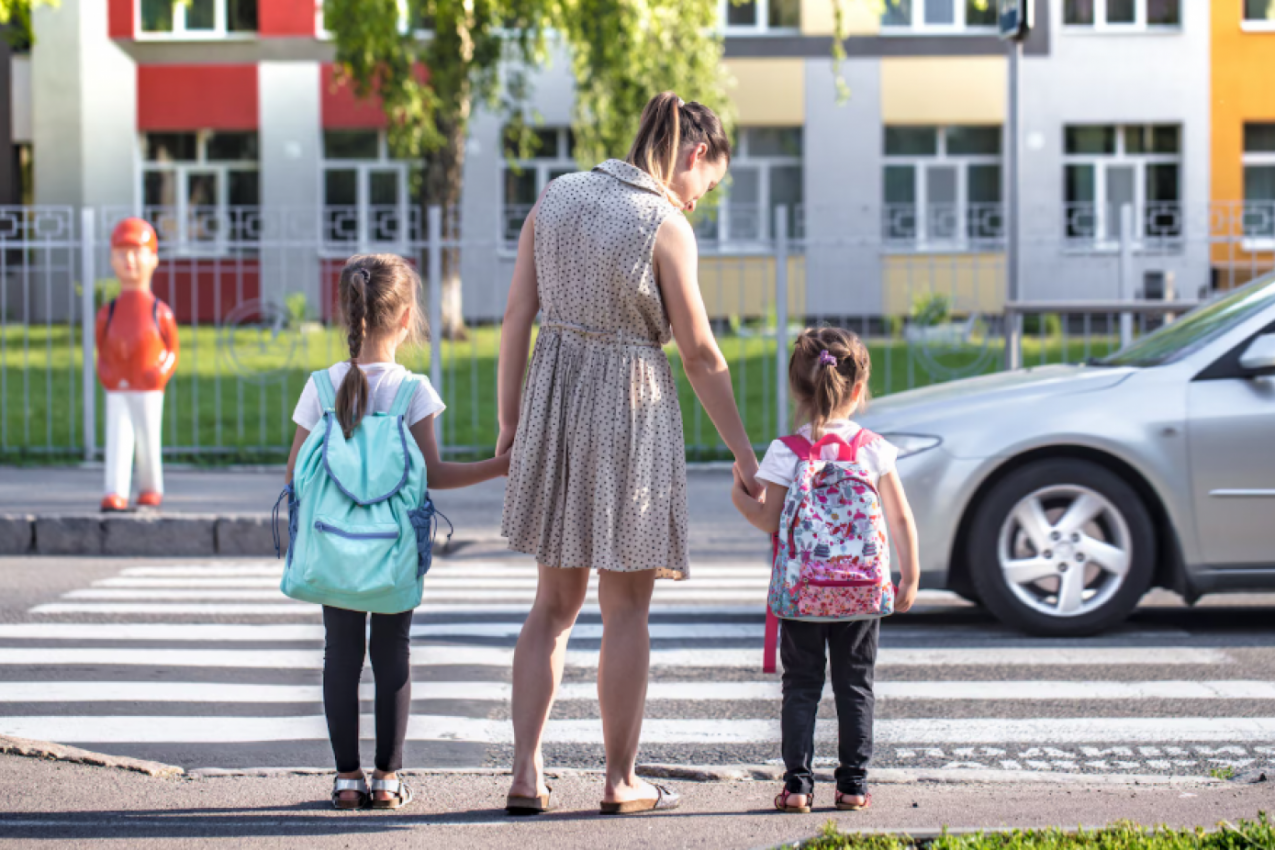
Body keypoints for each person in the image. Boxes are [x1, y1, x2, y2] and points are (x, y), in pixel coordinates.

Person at [497, 91, 760, 815]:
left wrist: (509, 419)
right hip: (628, 407)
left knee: (551, 604)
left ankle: (525, 772)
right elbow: (701, 354)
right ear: (694, 155)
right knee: (625, 610)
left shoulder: (556, 196)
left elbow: (517, 314)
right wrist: (743, 452)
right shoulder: (663, 223)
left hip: (553, 392)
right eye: (711, 180)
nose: (705, 196)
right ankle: (618, 781)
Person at [285, 254, 509, 810]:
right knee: (393, 656)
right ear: (407, 318)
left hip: (333, 548)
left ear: (346, 314)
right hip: (392, 552)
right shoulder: (414, 392)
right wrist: (498, 466)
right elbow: (433, 475)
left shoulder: (321, 387)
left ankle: (344, 779)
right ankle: (387, 778)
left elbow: (294, 474)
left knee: (339, 654)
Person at [730, 327, 920, 813]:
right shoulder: (873, 448)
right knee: (855, 686)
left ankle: (797, 788)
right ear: (858, 389)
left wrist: (739, 499)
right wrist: (909, 574)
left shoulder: (786, 452)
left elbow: (768, 519)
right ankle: (853, 786)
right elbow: (899, 516)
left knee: (801, 688)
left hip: (803, 595)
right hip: (859, 593)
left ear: (796, 389)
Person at [96, 217, 178, 513]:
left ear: (153, 259)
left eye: (137, 252)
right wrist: (106, 372)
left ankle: (151, 487)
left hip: (148, 387)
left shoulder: (160, 312)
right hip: (118, 386)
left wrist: (161, 370)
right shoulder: (109, 311)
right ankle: (115, 490)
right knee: (117, 437)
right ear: (112, 259)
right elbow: (101, 347)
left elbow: (172, 350)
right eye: (122, 253)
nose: (129, 260)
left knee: (148, 438)